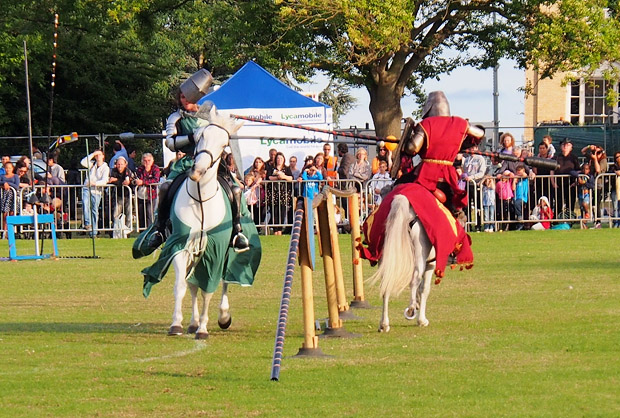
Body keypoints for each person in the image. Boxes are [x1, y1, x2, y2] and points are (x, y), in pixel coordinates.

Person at [81, 149, 110, 237]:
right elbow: (83, 162)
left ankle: (93, 232)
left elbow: (104, 180)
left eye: (99, 155)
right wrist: (93, 154)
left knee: (94, 210)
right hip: (87, 188)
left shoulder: (106, 168)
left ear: (103, 156)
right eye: (96, 155)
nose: (98, 157)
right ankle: (87, 223)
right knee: (85, 204)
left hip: (96, 191)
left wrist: (94, 183)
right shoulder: (92, 164)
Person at [461, 140, 487, 230]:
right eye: (470, 148)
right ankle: (468, 224)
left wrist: (472, 177)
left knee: (477, 205)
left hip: (476, 184)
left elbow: (481, 172)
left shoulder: (480, 159)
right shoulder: (467, 159)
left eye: (474, 147)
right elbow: (464, 170)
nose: (472, 149)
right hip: (468, 185)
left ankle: (478, 224)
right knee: (467, 204)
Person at [266, 151, 293, 235]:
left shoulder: (287, 168)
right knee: (274, 211)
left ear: (284, 159)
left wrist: (283, 176)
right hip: (273, 192)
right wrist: (278, 177)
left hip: (284, 193)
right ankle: (275, 230)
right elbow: (269, 177)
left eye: (281, 158)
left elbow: (291, 178)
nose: (279, 160)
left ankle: (280, 230)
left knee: (282, 211)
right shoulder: (271, 168)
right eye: (278, 158)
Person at [581, 144, 607, 227]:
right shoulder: (592, 158)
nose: (597, 154)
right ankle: (588, 220)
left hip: (599, 185)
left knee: (596, 204)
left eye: (598, 152)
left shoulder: (603, 160)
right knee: (588, 203)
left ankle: (598, 221)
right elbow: (583, 151)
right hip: (590, 185)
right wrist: (589, 146)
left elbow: (598, 170)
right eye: (595, 152)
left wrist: (595, 159)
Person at [554, 138, 580, 217]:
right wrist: (553, 183)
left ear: (571, 147)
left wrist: (575, 182)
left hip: (570, 185)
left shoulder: (574, 158)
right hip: (559, 185)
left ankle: (569, 219)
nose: (565, 146)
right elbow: (552, 170)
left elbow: (578, 171)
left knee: (570, 204)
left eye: (568, 145)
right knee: (558, 204)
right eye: (563, 145)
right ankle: (556, 220)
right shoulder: (557, 157)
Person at [135, 153, 161, 229]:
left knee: (150, 214)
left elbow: (155, 180)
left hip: (151, 195)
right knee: (141, 214)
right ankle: (142, 231)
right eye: (145, 161)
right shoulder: (140, 169)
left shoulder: (155, 168)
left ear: (152, 161)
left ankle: (150, 230)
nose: (147, 162)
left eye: (149, 160)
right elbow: (138, 178)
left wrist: (143, 182)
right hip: (141, 195)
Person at [0, 162, 20, 237]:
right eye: (6, 168)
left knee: (12, 213)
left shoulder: (15, 176)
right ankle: (4, 231)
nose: (8, 169)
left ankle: (11, 231)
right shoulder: (2, 176)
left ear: (12, 168)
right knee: (5, 214)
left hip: (13, 196)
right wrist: (4, 183)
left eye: (9, 168)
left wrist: (8, 184)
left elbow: (16, 186)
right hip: (5, 196)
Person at [513, 164, 529, 230]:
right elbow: (513, 188)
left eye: (520, 171)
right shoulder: (517, 180)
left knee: (517, 204)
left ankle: (520, 217)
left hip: (523, 198)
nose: (519, 173)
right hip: (516, 197)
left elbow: (525, 175)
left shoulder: (524, 179)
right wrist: (514, 181)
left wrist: (519, 175)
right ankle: (519, 224)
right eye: (518, 172)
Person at [609, 151, 620, 228]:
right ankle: (616, 222)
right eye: (616, 157)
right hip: (615, 189)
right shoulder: (613, 166)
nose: (618, 158)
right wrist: (616, 172)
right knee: (615, 206)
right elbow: (609, 172)